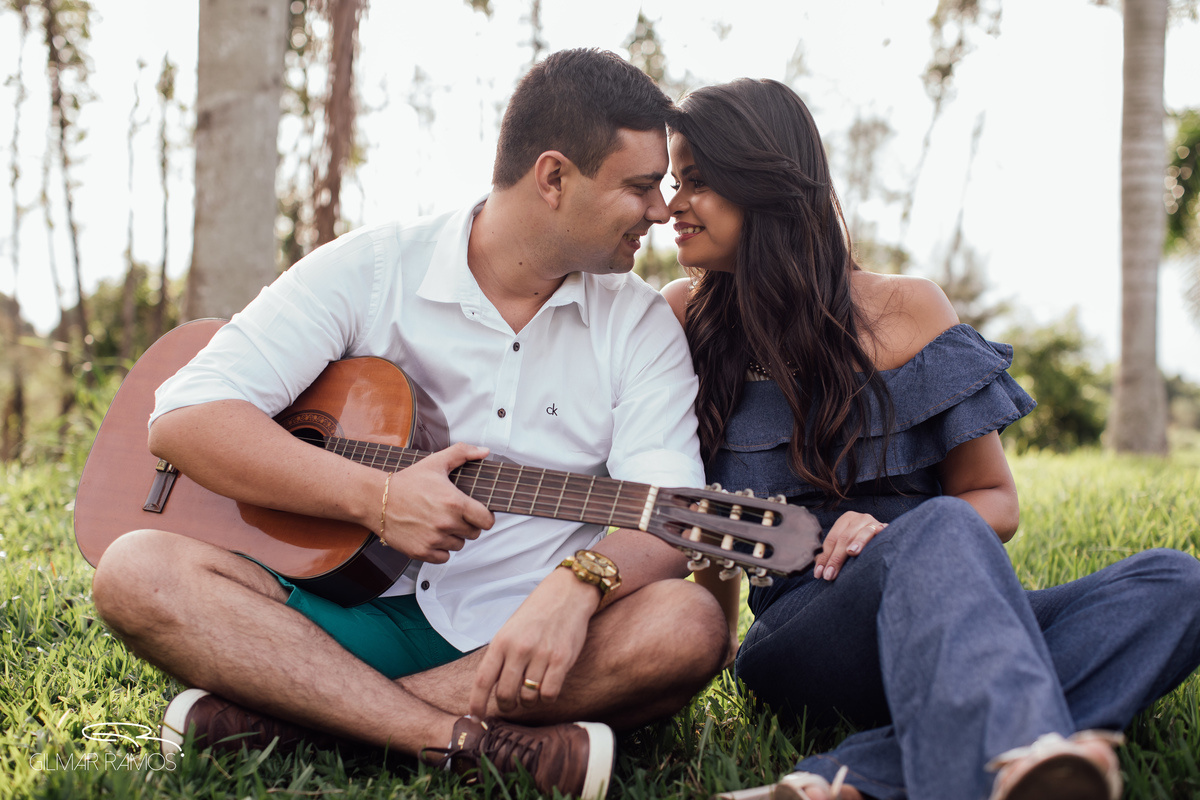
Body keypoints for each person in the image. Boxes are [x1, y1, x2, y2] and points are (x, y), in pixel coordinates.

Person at [90, 48, 730, 800]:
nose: (661, 210)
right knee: (136, 571)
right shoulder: (372, 268)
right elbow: (186, 417)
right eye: (639, 186)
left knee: (686, 623)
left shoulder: (638, 325)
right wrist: (376, 500)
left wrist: (575, 586)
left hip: (520, 643)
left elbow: (669, 515)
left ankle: (298, 719)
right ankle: (451, 740)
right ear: (553, 177)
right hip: (333, 610)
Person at [660, 78, 1200, 800]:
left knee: (1176, 582)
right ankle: (1019, 751)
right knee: (938, 525)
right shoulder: (683, 317)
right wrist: (712, 642)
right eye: (671, 181)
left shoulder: (908, 308)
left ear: (760, 180)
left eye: (694, 181)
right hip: (808, 635)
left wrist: (894, 537)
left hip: (953, 609)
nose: (671, 204)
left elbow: (994, 501)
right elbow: (709, 521)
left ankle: (854, 777)